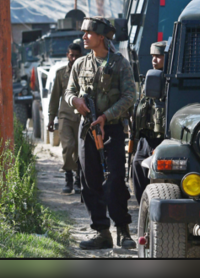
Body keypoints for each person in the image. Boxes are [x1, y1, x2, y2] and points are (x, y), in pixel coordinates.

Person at [64, 16, 137, 250]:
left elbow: (129, 97)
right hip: (87, 130)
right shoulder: (80, 64)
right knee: (89, 181)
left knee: (115, 180)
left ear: (102, 37)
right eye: (83, 32)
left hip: (112, 129)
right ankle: (102, 232)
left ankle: (123, 230)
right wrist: (75, 100)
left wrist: (106, 117)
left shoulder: (119, 63)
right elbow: (69, 91)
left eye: (88, 33)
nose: (84, 37)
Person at [131, 41, 167, 205]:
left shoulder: (173, 81)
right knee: (137, 165)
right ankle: (142, 206)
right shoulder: (149, 77)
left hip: (164, 138)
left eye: (159, 56)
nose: (154, 60)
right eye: (153, 56)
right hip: (147, 136)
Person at [48, 43, 83, 194]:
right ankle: (69, 177)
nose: (74, 58)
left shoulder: (86, 72)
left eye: (77, 55)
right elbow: (55, 97)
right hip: (65, 116)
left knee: (80, 150)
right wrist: (51, 118)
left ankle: (78, 180)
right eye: (71, 55)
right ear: (67, 55)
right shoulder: (61, 73)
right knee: (68, 146)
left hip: (82, 117)